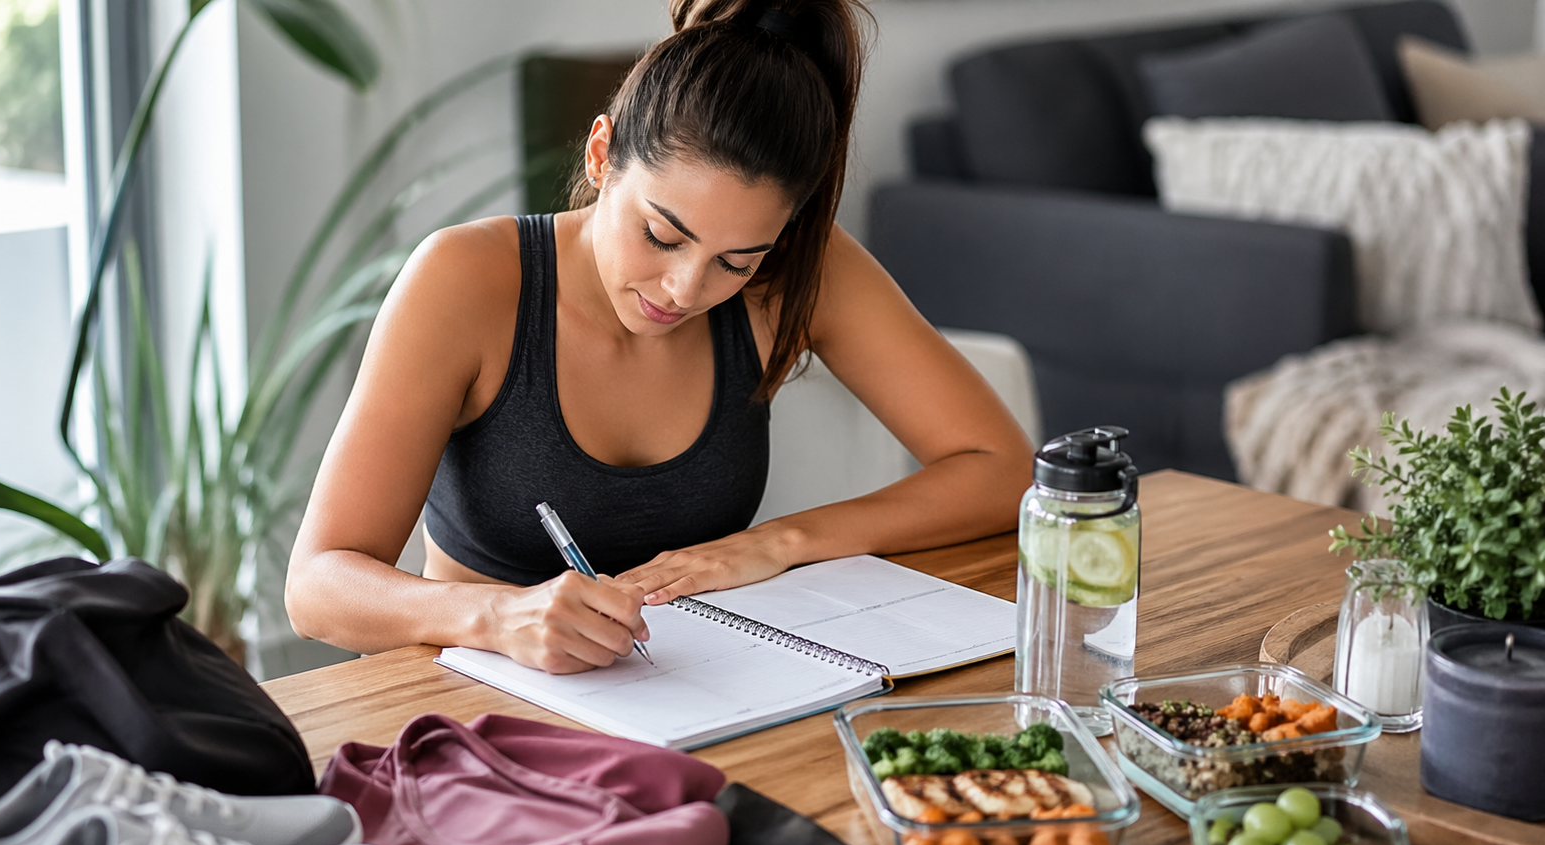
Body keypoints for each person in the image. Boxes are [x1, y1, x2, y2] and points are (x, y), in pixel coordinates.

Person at [285, 0, 1033, 673]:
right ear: (601, 154)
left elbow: (1002, 469)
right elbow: (318, 586)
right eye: (662, 234)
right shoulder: (466, 279)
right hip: (475, 698)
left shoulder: (802, 272)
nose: (685, 290)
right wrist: (498, 615)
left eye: (737, 261)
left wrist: (779, 542)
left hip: (697, 693)